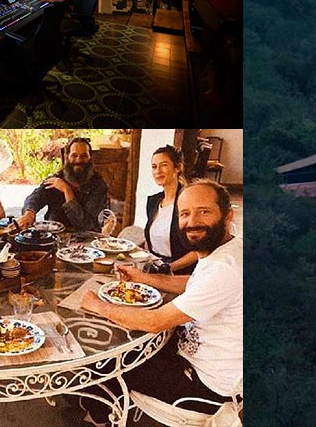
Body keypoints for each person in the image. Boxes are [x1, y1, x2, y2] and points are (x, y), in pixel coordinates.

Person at [80, 180, 243, 424]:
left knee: (104, 361)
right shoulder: (229, 249)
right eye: (185, 214)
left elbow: (155, 321)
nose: (192, 221)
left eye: (204, 211)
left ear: (227, 215)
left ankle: (99, 416)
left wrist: (97, 305)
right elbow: (193, 283)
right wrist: (144, 277)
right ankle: (98, 409)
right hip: (194, 359)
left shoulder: (225, 268)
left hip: (204, 387)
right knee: (124, 347)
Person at [16, 137, 109, 233]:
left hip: (86, 240)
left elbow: (85, 225)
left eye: (84, 156)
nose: (78, 160)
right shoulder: (58, 178)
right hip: (55, 236)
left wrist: (67, 190)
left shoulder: (99, 186)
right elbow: (37, 196)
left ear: (90, 157)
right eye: (74, 155)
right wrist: (29, 213)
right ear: (67, 156)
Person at [145, 145, 197, 274]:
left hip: (180, 273)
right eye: (154, 166)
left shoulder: (189, 202)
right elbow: (148, 240)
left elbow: (198, 250)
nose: (157, 171)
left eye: (163, 165)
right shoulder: (153, 201)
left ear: (178, 168)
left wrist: (169, 267)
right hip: (155, 268)